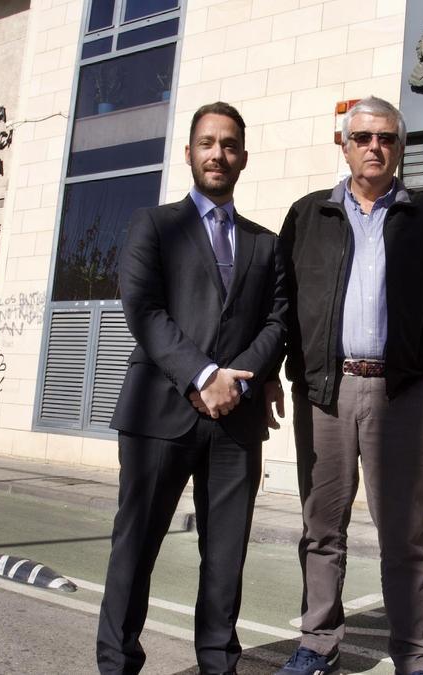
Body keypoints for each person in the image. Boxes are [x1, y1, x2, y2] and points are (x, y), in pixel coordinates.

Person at [270, 95, 423, 675]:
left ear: (400, 147)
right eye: (363, 138)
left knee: (405, 537)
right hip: (326, 395)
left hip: (403, 393)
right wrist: (289, 374)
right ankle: (317, 643)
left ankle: (414, 657)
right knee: (321, 527)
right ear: (345, 144)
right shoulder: (308, 215)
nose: (374, 147)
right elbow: (283, 304)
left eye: (386, 138)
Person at [97, 101, 287, 675]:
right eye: (207, 143)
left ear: (243, 158)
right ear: (189, 153)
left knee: (225, 558)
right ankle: (117, 663)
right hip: (160, 412)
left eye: (229, 145)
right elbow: (145, 311)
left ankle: (217, 665)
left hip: (236, 422)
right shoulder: (153, 226)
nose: (217, 154)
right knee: (136, 547)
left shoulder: (266, 244)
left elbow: (279, 321)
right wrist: (204, 377)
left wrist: (238, 383)